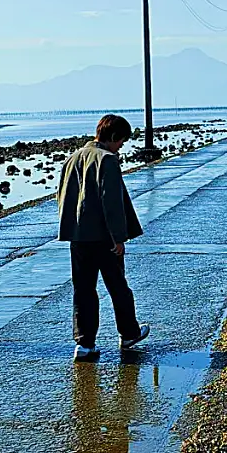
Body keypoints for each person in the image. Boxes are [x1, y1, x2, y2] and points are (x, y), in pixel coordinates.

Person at [58, 114, 150, 363]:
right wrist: (118, 238)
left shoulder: (73, 157)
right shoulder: (107, 160)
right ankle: (129, 333)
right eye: (121, 141)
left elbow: (62, 196)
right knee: (118, 287)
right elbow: (112, 202)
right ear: (112, 137)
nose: (122, 146)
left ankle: (84, 345)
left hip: (78, 237)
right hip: (103, 237)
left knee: (83, 290)